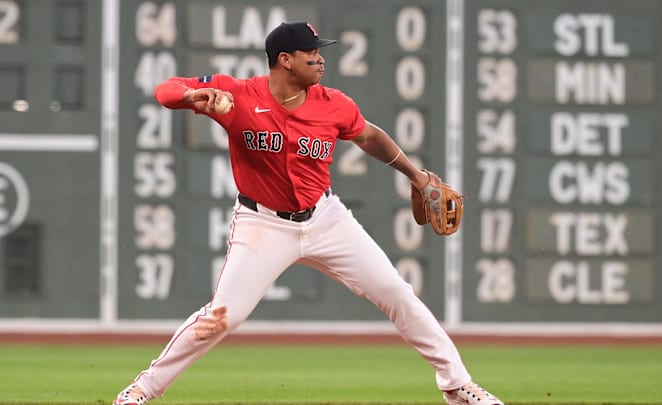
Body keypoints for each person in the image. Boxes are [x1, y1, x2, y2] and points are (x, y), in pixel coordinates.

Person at [112, 21, 504, 405]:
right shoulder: (238, 95)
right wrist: (190, 97)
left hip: (325, 218)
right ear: (285, 60)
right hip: (261, 223)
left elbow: (369, 136)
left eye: (320, 52)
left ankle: (458, 387)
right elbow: (166, 90)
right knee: (222, 317)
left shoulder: (334, 104)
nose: (320, 60)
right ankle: (140, 391)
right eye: (311, 53)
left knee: (397, 293)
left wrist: (416, 176)